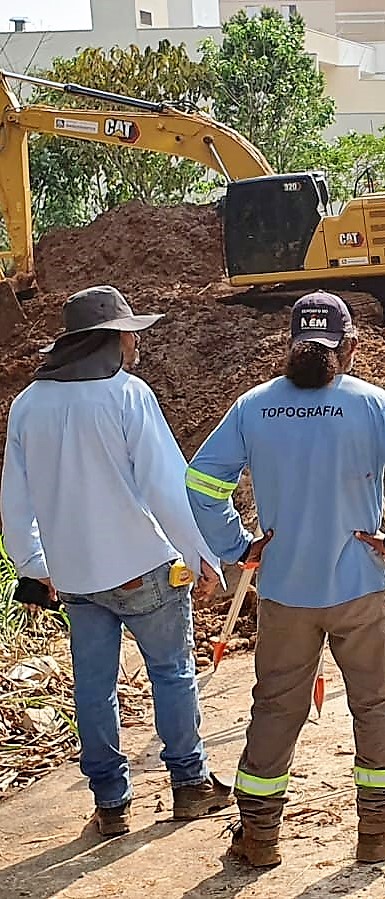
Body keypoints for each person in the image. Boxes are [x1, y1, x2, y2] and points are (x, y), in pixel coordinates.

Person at [186, 291, 385, 868]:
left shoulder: (253, 408)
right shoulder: (374, 405)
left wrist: (237, 547)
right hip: (360, 587)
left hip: (283, 591)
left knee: (275, 708)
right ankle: (379, 831)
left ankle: (258, 839)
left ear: (290, 344)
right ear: (349, 346)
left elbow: (202, 483)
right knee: (375, 705)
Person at [0, 286, 232, 837]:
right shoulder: (127, 395)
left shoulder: (29, 404)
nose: (135, 342)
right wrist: (202, 554)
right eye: (129, 333)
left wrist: (35, 564)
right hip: (143, 567)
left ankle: (110, 803)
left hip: (76, 577)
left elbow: (15, 498)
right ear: (108, 340)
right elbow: (166, 487)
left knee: (93, 688)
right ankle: (191, 784)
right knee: (172, 673)